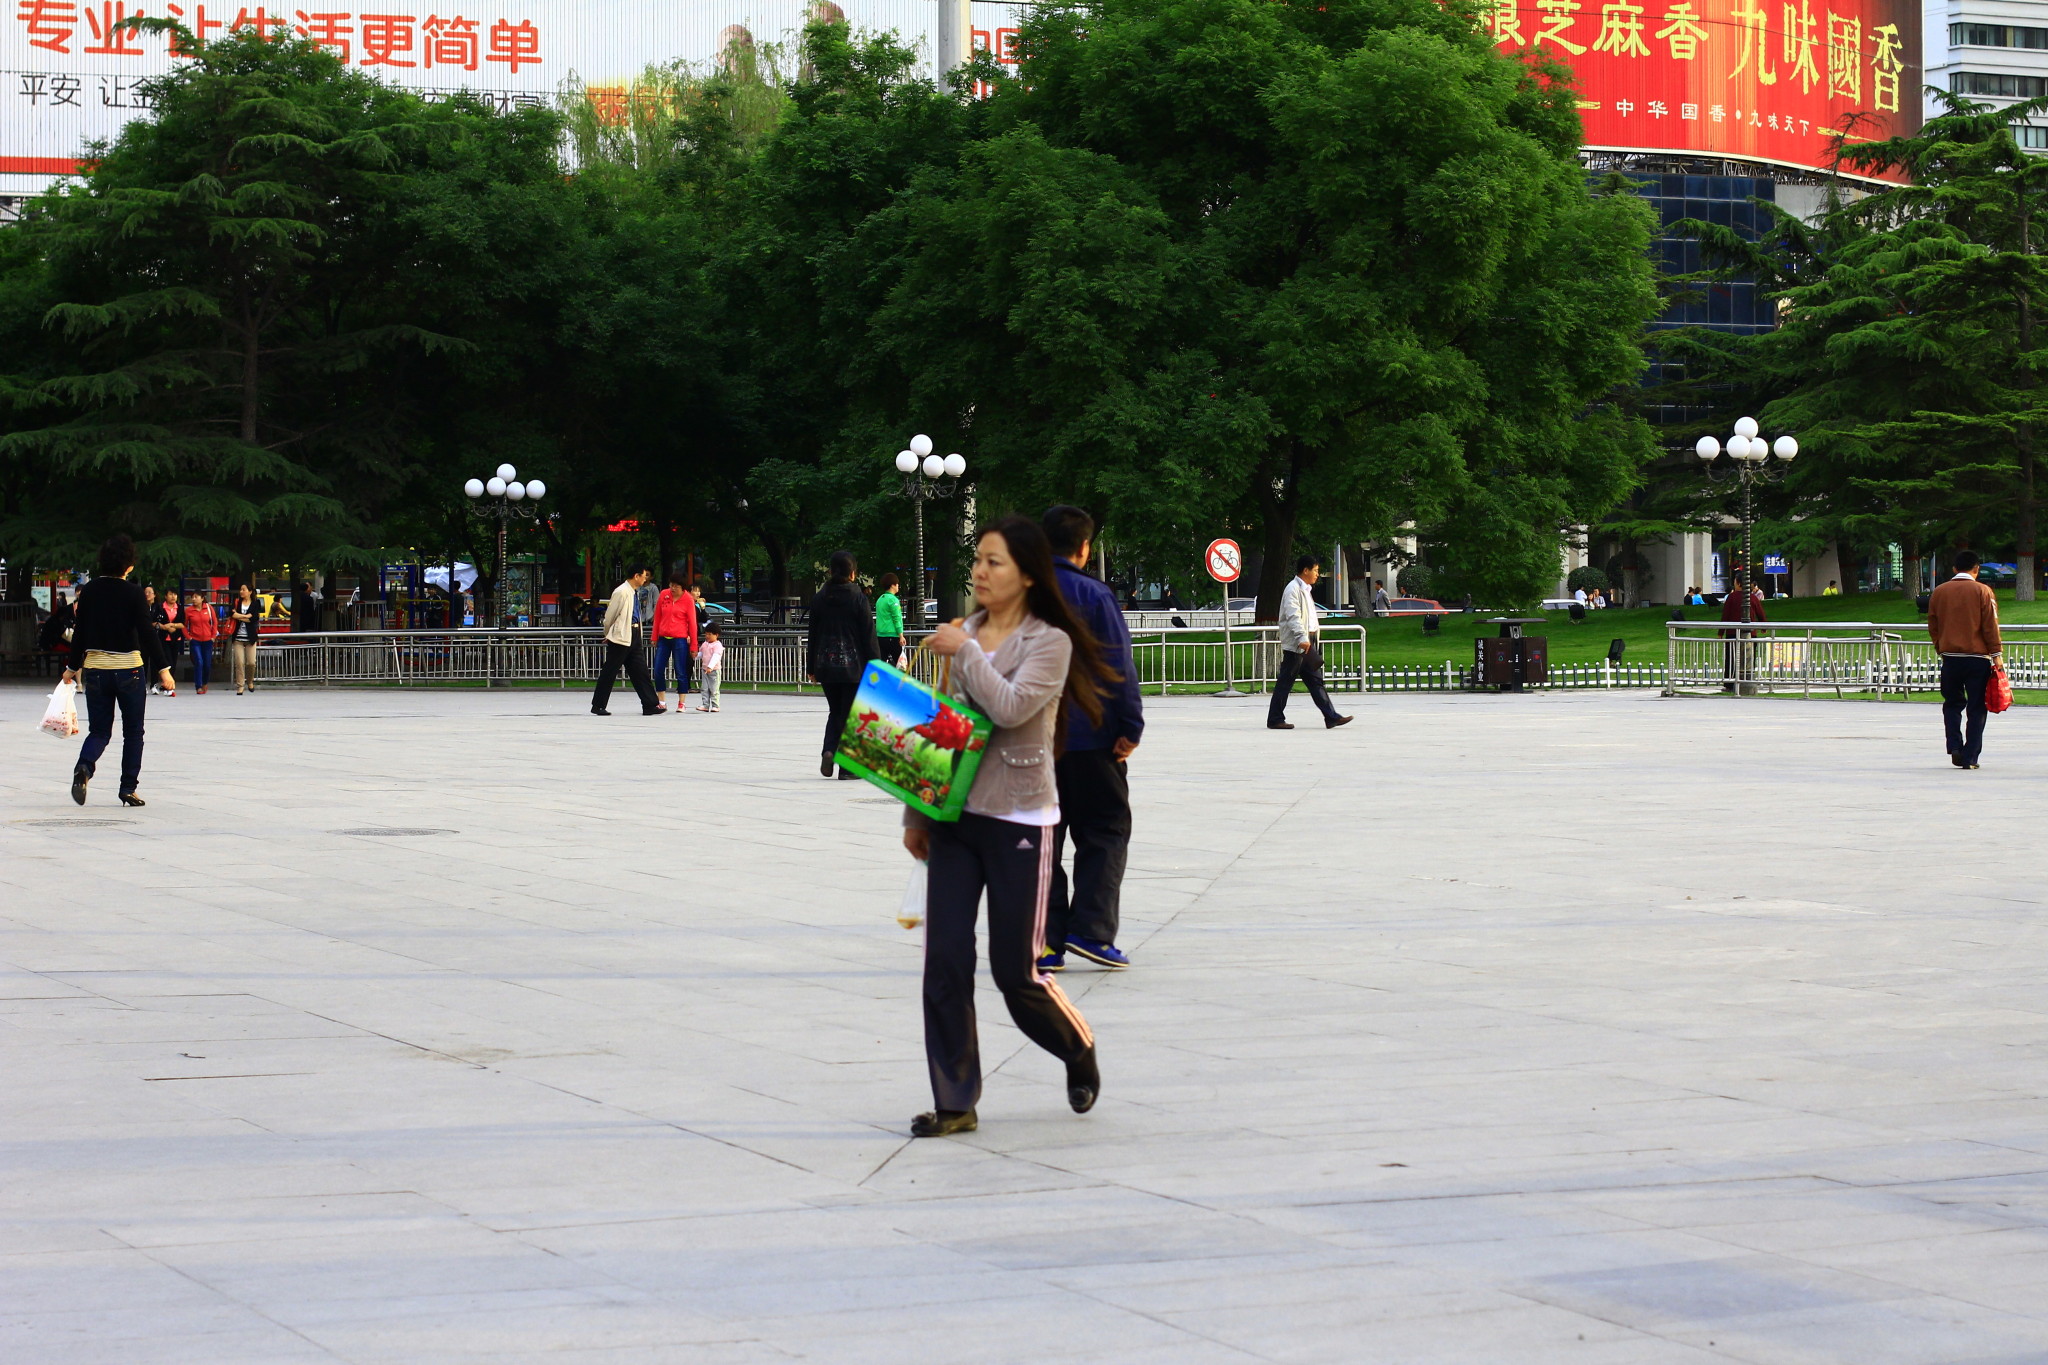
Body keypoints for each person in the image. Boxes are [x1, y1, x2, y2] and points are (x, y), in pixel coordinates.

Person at [902, 516, 1117, 1137]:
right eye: (977, 559)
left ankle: (1076, 1046)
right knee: (944, 960)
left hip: (1020, 814)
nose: (980, 571)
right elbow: (941, 723)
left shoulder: (1049, 642)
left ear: (1026, 574)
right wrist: (917, 811)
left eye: (993, 561)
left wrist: (965, 652)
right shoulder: (964, 633)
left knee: (1015, 971)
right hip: (955, 817)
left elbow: (1012, 709)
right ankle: (955, 1100)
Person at [1038, 505, 1143, 974]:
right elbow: (1118, 665)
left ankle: (1045, 941)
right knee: (1105, 829)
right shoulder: (1096, 596)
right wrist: (1130, 727)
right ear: (1084, 547)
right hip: (1091, 737)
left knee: (1039, 841)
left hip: (1030, 744)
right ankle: (1092, 931)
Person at [63, 535, 173, 807]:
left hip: (96, 670)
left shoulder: (89, 591)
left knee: (99, 731)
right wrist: (164, 669)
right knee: (133, 732)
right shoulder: (134, 593)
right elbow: (147, 633)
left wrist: (71, 668)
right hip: (129, 670)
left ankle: (84, 766)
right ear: (129, 565)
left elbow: (80, 633)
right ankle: (128, 788)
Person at [806, 550, 879, 779]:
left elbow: (812, 634)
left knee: (836, 710)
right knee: (849, 714)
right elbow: (868, 636)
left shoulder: (819, 598)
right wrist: (876, 667)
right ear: (853, 573)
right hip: (853, 667)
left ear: (830, 571)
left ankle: (829, 750)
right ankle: (847, 768)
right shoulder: (859, 598)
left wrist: (811, 668)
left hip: (825, 665)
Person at [1927, 551, 2002, 769]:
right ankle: (1970, 756)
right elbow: (1990, 625)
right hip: (1977, 658)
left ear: (1954, 569)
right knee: (1977, 706)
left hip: (1950, 657)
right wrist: (1996, 654)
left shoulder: (1939, 592)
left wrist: (1940, 646)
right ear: (1976, 569)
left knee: (1952, 703)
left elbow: (1933, 624)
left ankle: (1954, 746)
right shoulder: (1983, 591)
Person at [1268, 553, 1353, 731]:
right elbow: (1293, 616)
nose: (1317, 574)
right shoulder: (1292, 589)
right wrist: (1302, 638)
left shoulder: (1306, 590)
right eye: (1315, 570)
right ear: (1305, 570)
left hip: (1308, 640)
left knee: (1315, 681)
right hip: (1298, 643)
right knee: (1286, 682)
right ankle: (1275, 719)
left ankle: (1331, 717)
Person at [592, 566, 663, 716]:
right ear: (636, 576)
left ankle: (650, 704)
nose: (645, 579)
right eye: (644, 575)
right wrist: (608, 633)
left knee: (640, 670)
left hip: (634, 633)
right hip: (621, 635)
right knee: (610, 670)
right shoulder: (621, 591)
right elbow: (609, 616)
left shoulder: (633, 592)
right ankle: (598, 705)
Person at [651, 570, 698, 713]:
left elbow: (692, 624)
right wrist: (654, 636)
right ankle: (661, 701)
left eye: (676, 586)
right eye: (671, 585)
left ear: (683, 587)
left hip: (679, 639)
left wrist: (694, 646)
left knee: (681, 671)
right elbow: (657, 617)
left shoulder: (688, 599)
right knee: (658, 669)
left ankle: (682, 702)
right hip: (663, 638)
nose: (673, 588)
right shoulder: (664, 595)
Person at [1718, 575, 1766, 691]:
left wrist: (1721, 632)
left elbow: (1725, 615)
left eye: (1735, 582)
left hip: (1732, 633)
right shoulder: (1753, 598)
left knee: (1731, 659)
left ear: (1739, 583)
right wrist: (1763, 626)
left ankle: (1730, 684)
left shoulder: (1732, 597)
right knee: (1749, 659)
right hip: (1751, 634)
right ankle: (1747, 681)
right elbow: (1760, 613)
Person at [228, 582, 261, 694]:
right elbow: (232, 614)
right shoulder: (237, 602)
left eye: (244, 589)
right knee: (239, 662)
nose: (241, 591)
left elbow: (253, 619)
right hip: (238, 638)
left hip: (250, 638)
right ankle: (240, 685)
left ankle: (250, 681)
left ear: (250, 592)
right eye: (241, 589)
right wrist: (245, 616)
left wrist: (239, 616)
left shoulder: (256, 603)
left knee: (251, 662)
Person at [183, 592, 217, 694]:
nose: (194, 599)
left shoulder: (209, 608)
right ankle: (198, 686)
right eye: (192, 597)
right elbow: (184, 625)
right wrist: (189, 637)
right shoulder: (189, 610)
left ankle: (205, 682)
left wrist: (213, 636)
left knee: (207, 664)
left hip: (208, 640)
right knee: (199, 661)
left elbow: (214, 622)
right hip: (195, 640)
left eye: (196, 597)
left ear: (202, 598)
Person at [874, 572, 905, 668]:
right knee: (900, 666)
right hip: (892, 636)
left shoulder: (880, 599)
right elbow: (897, 618)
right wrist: (901, 635)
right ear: (892, 585)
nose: (898, 586)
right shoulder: (893, 600)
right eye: (897, 584)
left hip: (880, 636)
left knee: (881, 665)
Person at [697, 620, 724, 711]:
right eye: (706, 634)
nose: (707, 636)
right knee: (704, 688)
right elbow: (701, 654)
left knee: (714, 689)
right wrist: (695, 656)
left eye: (710, 634)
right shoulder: (705, 644)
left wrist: (710, 667)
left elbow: (716, 657)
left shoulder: (718, 645)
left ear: (716, 635)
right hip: (705, 670)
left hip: (714, 670)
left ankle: (715, 705)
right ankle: (705, 705)